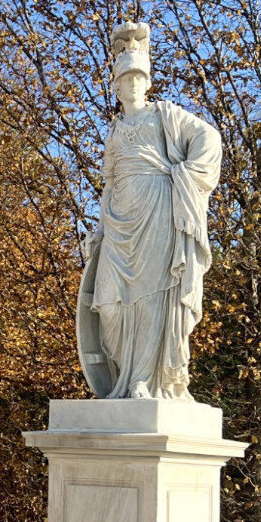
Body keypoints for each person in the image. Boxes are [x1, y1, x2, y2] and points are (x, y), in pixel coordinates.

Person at [80, 22, 222, 401]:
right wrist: (99, 230)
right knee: (109, 306)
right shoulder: (113, 130)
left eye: (139, 77)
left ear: (147, 82)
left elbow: (209, 138)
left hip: (158, 210)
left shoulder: (165, 115)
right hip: (120, 219)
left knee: (151, 296)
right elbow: (109, 182)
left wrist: (183, 177)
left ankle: (143, 379)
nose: (133, 84)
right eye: (126, 78)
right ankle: (125, 376)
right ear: (116, 85)